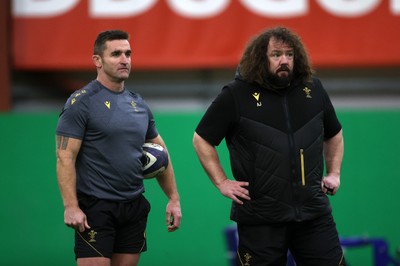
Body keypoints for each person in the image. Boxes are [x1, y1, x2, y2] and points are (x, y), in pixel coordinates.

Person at [193, 26, 345, 265]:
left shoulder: (313, 89)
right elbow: (201, 139)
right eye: (276, 55)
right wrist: (221, 182)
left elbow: (334, 133)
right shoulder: (236, 94)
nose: (284, 60)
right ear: (261, 58)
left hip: (313, 214)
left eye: (289, 54)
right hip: (260, 218)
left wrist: (334, 173)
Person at [55, 29, 182, 266]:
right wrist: (71, 206)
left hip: (133, 207)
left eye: (128, 53)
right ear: (97, 60)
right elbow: (65, 158)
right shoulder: (81, 102)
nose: (124, 59)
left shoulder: (139, 104)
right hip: (96, 207)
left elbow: (162, 155)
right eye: (116, 54)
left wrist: (173, 199)